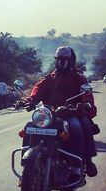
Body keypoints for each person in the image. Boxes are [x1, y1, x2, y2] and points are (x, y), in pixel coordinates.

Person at [23, 46, 98, 177]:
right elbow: (37, 89)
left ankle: (78, 166)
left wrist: (85, 105)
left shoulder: (79, 79)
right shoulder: (49, 78)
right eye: (59, 60)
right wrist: (30, 100)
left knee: (76, 127)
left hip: (70, 114)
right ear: (55, 60)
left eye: (65, 60)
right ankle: (27, 170)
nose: (62, 63)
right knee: (30, 126)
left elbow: (87, 97)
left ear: (71, 61)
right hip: (50, 115)